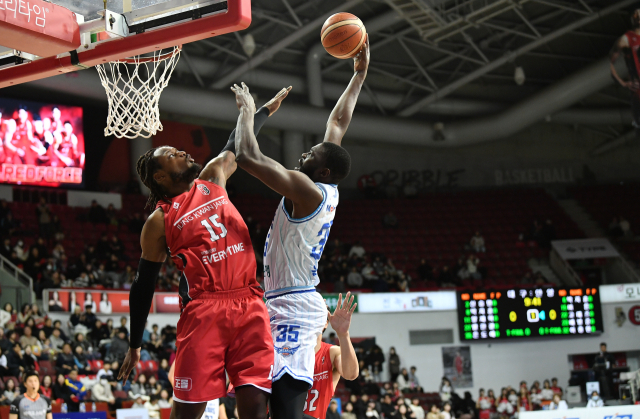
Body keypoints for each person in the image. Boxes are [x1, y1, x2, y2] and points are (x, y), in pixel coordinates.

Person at [118, 88, 293, 419]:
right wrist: (134, 344)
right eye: (172, 154)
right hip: (204, 312)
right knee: (188, 413)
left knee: (255, 409)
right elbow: (144, 286)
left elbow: (236, 145)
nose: (182, 151)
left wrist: (258, 111)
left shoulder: (213, 177)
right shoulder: (158, 221)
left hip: (250, 302)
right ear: (159, 176)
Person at [230, 35, 369, 419]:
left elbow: (247, 155)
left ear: (321, 170)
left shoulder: (307, 190)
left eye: (309, 155)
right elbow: (337, 124)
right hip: (281, 300)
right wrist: (358, 75)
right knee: (253, 405)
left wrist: (248, 113)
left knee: (283, 408)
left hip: (292, 305)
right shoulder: (325, 185)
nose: (303, 154)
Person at [303, 294, 359, 419]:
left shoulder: (332, 353)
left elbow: (351, 374)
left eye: (317, 315)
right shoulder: (286, 351)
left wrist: (343, 334)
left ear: (325, 323)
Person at [610, 8, 640, 138]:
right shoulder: (627, 38)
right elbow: (611, 61)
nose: (638, 17)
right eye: (636, 14)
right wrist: (622, 83)